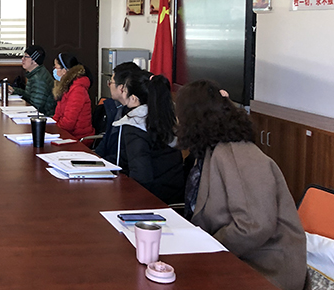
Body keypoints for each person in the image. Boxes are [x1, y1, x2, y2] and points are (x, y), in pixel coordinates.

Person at [176, 80, 306, 290]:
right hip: (235, 257)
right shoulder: (212, 150)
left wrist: (210, 247)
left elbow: (253, 226)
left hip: (265, 268)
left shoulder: (238, 154)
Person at [115, 71, 184, 204]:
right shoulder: (166, 116)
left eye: (125, 91)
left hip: (149, 199)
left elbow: (141, 176)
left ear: (134, 98)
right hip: (174, 194)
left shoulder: (135, 124)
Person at [94, 62, 143, 161]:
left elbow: (124, 157)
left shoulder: (137, 116)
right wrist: (94, 159)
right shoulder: (114, 107)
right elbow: (105, 142)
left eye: (111, 82)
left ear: (121, 88)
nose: (109, 86)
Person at [51, 53, 93, 140]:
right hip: (67, 134)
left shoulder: (77, 89)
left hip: (78, 137)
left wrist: (53, 129)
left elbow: (68, 123)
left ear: (64, 71)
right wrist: (51, 127)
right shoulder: (65, 87)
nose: (54, 70)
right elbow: (57, 115)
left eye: (56, 67)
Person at [9, 45, 56, 116]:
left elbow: (36, 107)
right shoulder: (34, 73)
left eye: (26, 57)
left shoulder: (39, 79)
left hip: (44, 117)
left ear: (34, 61)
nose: (22, 59)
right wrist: (14, 90)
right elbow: (29, 96)